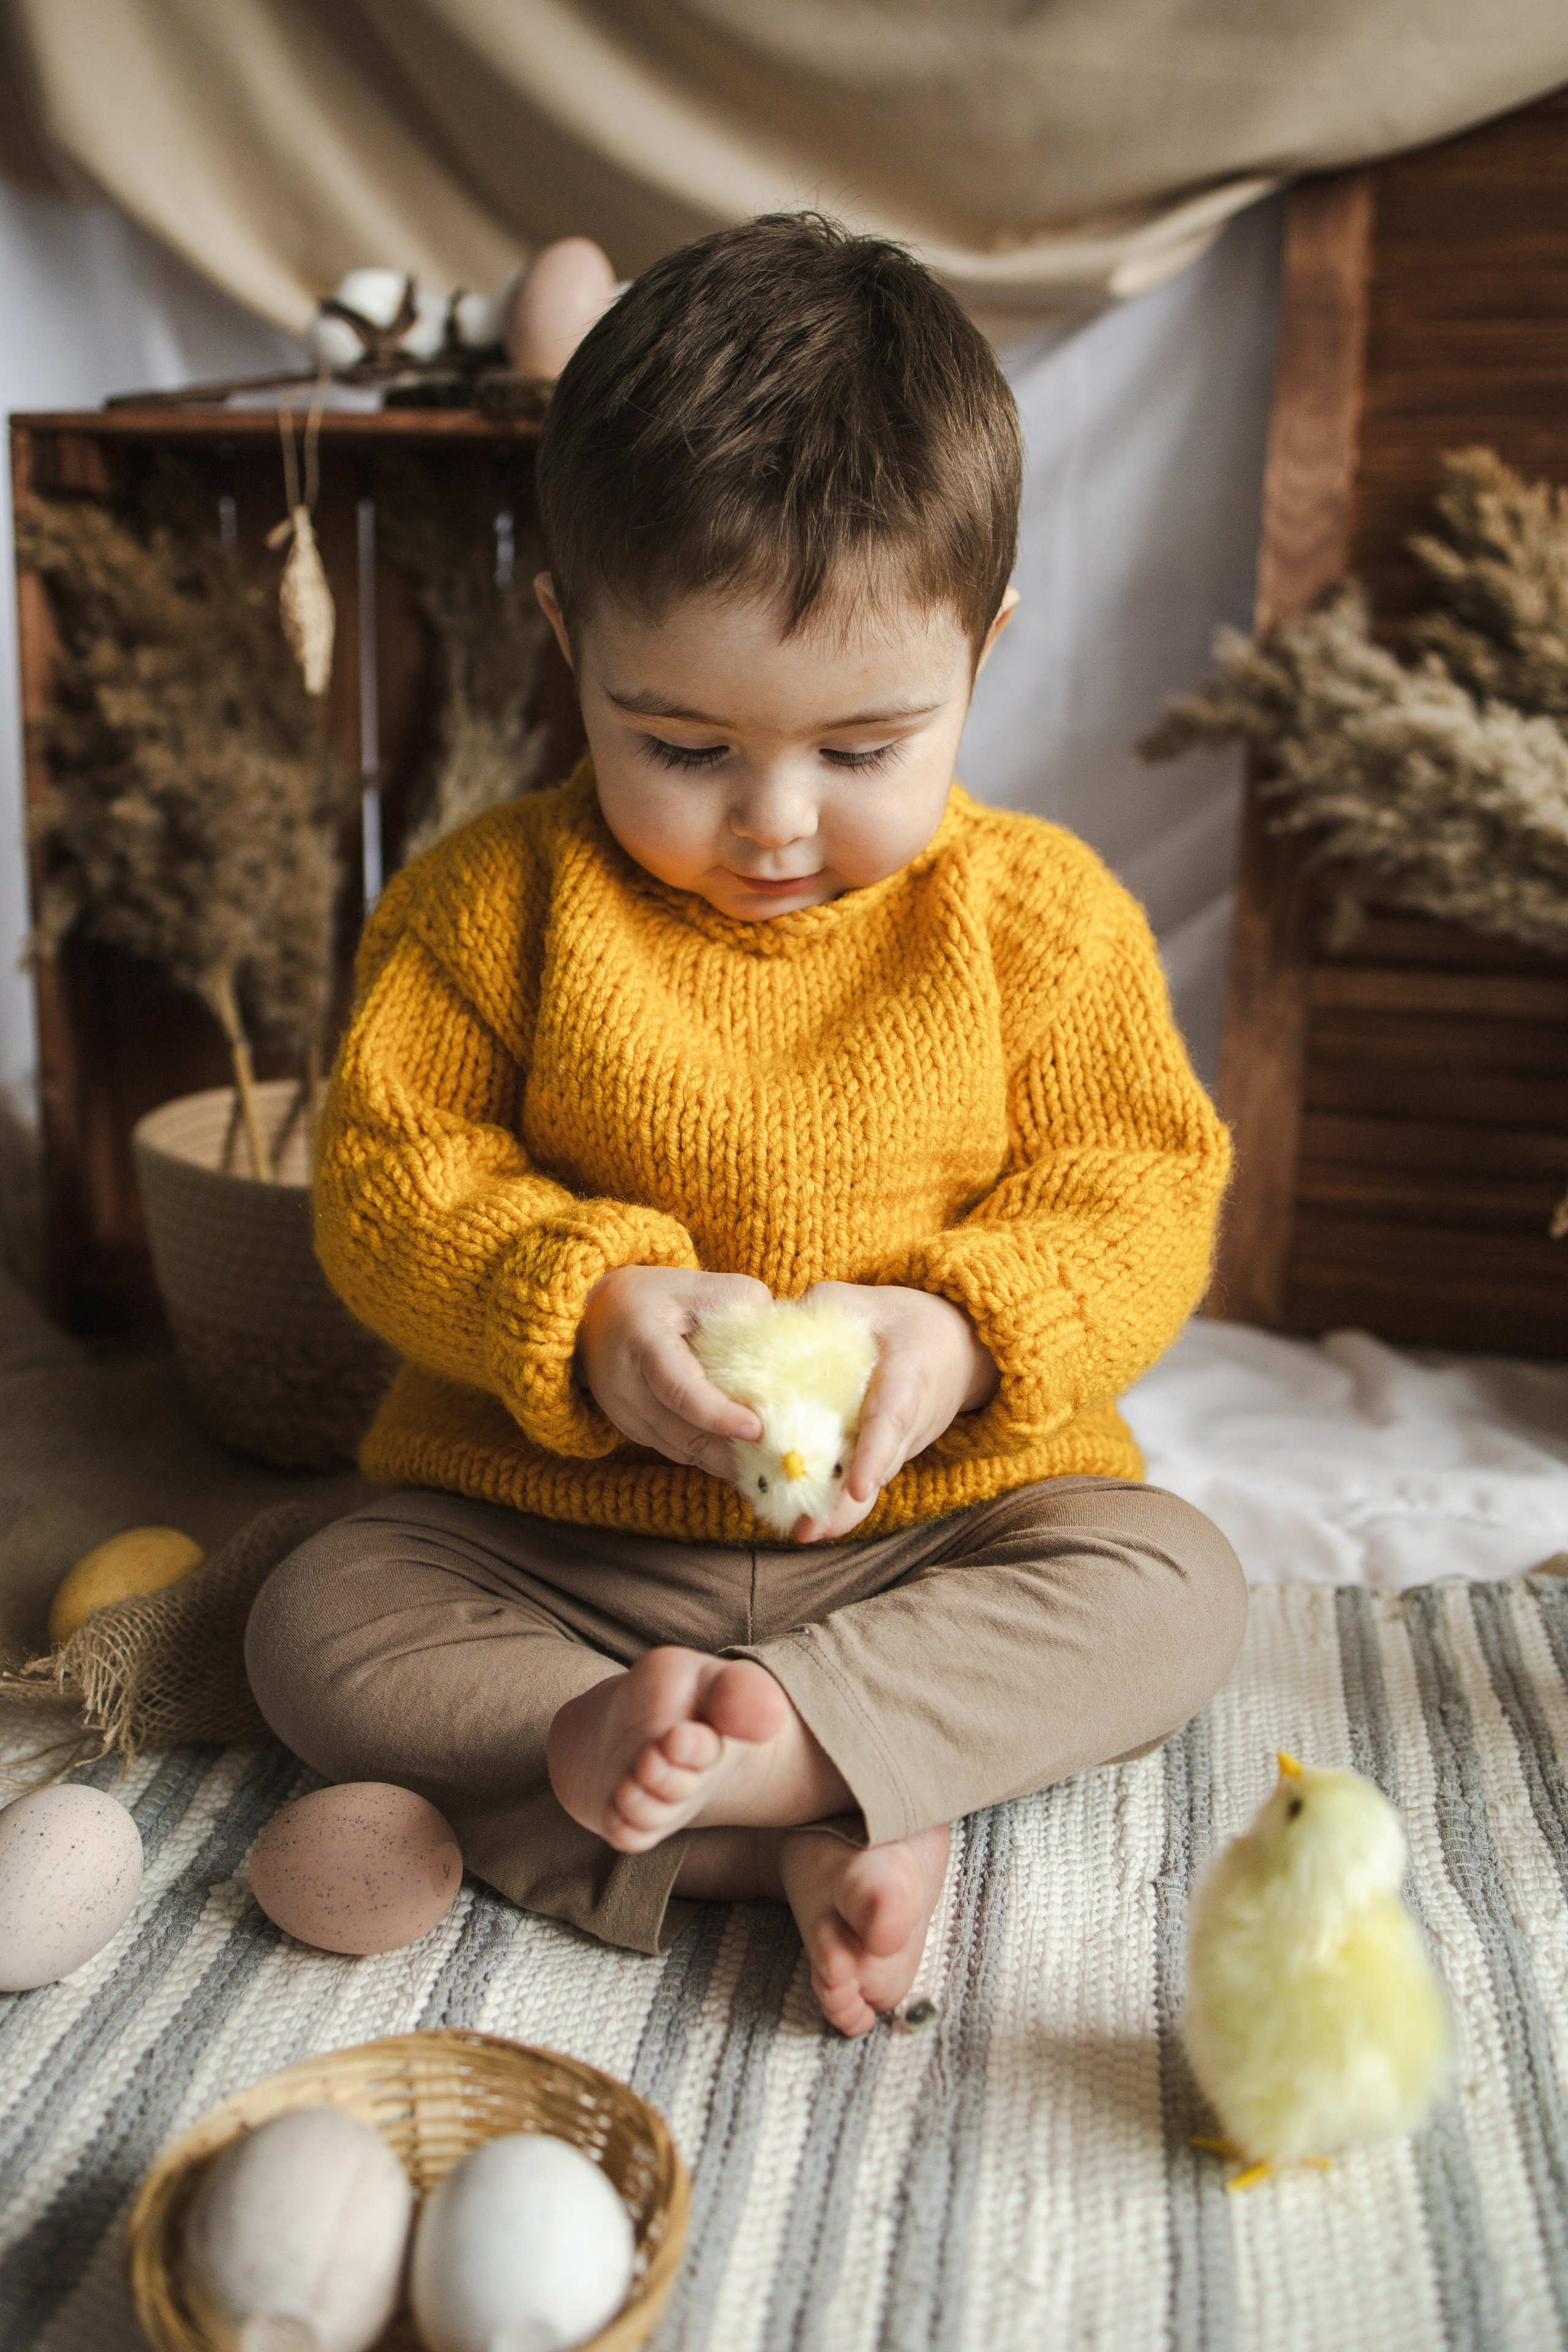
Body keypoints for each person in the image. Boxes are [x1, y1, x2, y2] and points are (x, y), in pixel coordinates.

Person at [246, 213, 1246, 2037]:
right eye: (684, 745)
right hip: (565, 1538)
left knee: (1174, 1584)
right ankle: (782, 1791)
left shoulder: (1041, 918)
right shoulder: (498, 902)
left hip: (932, 1526)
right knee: (320, 1617)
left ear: (985, 650)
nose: (776, 819)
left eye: (863, 750)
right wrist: (582, 1305)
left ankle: (750, 1770)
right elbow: (392, 1172)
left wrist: (962, 1332)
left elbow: (1140, 1190)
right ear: (569, 643)